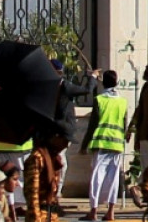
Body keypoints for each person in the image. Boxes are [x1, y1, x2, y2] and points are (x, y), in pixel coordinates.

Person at [79, 70, 127, 222]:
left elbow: (92, 126)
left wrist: (84, 145)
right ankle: (111, 213)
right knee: (113, 180)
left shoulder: (99, 99)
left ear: (103, 82)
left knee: (97, 178)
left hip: (101, 143)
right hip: (117, 144)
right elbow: (124, 125)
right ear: (117, 82)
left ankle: (93, 212)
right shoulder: (123, 101)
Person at [50, 59, 99, 198]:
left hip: (58, 130)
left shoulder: (60, 86)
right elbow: (87, 90)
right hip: (57, 130)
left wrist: (91, 77)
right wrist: (93, 77)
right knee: (59, 161)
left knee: (59, 161)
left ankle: (56, 190)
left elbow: (85, 90)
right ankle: (55, 191)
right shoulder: (60, 86)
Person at [23, 122, 70, 222]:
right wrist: (35, 218)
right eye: (65, 141)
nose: (66, 145)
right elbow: (32, 192)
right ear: (55, 138)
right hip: (39, 215)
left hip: (51, 215)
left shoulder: (54, 159)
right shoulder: (37, 158)